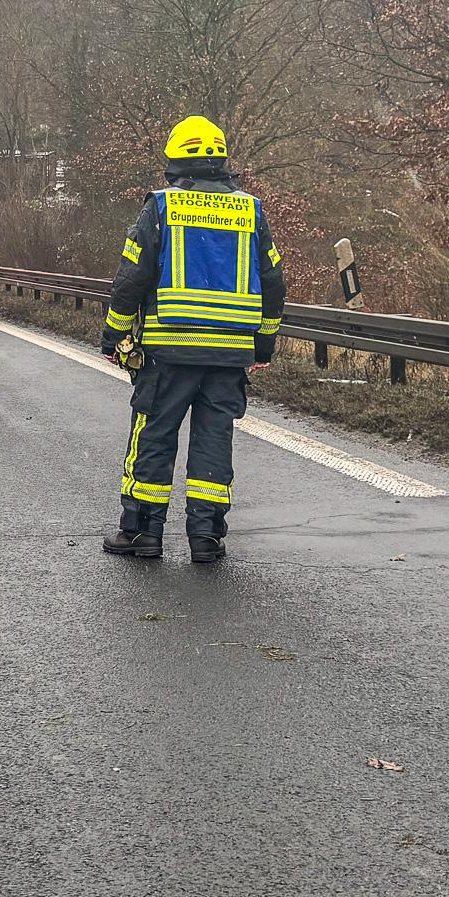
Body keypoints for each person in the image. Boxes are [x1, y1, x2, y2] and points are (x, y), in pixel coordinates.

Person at [101, 116, 284, 563]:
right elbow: (273, 282)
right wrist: (263, 346)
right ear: (222, 159)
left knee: (154, 436)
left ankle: (143, 533)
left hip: (169, 351)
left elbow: (133, 276)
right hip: (229, 356)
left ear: (174, 160)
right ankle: (206, 538)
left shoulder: (162, 207)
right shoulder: (251, 210)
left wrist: (115, 334)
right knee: (214, 440)